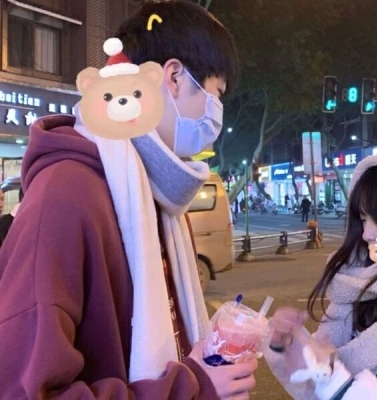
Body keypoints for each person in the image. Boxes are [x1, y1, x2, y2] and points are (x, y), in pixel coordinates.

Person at [0, 1, 258, 399]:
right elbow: (23, 390)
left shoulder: (157, 197)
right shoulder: (67, 193)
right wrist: (191, 388)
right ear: (174, 76)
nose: (216, 112)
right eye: (216, 93)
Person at [265, 150, 377, 399]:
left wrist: (334, 381)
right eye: (363, 219)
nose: (367, 234)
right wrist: (287, 342)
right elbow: (314, 378)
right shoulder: (357, 286)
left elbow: (329, 376)